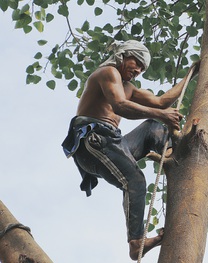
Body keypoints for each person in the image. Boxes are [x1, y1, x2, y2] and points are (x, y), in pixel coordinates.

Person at [62, 40, 197, 260]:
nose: (138, 70)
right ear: (124, 55)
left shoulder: (129, 88)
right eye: (137, 63)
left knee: (152, 128)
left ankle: (173, 157)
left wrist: (191, 74)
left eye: (142, 68)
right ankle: (136, 243)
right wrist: (160, 114)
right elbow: (119, 105)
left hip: (113, 143)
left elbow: (162, 102)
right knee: (135, 181)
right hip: (94, 141)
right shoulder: (108, 72)